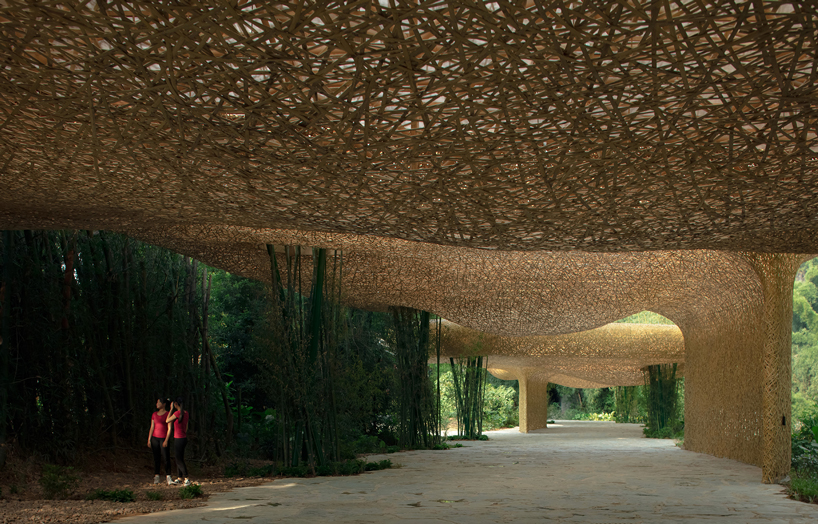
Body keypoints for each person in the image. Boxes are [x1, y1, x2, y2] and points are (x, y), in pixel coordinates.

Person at [147, 398, 174, 485]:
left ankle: (168, 476)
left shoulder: (167, 414)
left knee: (166, 458)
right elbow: (152, 427)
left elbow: (169, 428)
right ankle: (156, 476)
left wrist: (166, 439)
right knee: (156, 458)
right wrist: (149, 439)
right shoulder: (154, 414)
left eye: (159, 402)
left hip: (163, 438)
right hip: (155, 438)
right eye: (157, 402)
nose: (157, 404)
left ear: (163, 404)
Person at [166, 397, 191, 486]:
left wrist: (171, 409)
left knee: (178, 459)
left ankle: (186, 477)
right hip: (183, 438)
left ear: (176, 404)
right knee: (180, 457)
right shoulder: (186, 413)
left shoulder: (176, 413)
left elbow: (167, 420)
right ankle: (179, 477)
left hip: (178, 438)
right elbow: (187, 426)